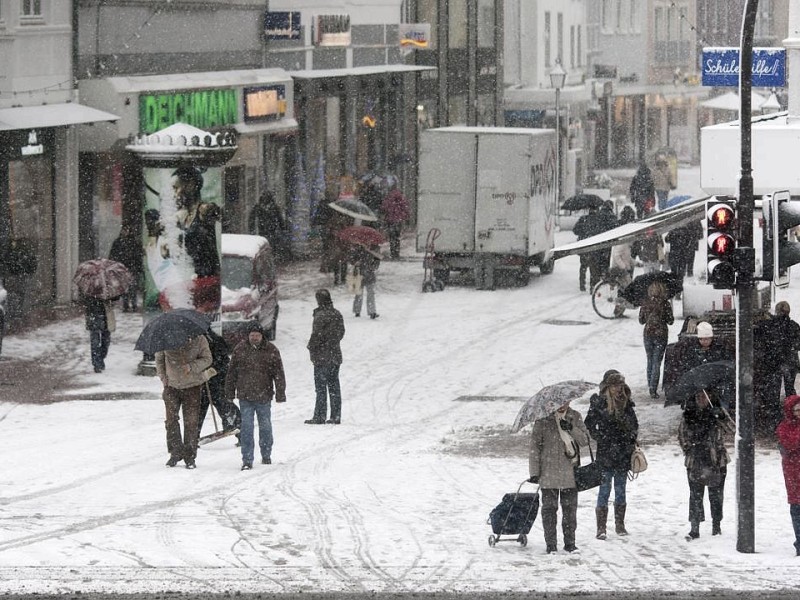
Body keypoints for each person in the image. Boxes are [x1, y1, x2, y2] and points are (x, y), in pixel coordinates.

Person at [528, 401, 591, 554]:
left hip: (570, 472)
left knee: (570, 510)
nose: (562, 405)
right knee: (549, 509)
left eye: (565, 402)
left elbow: (585, 440)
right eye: (559, 403)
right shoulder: (543, 420)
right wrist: (534, 472)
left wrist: (571, 429)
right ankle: (551, 545)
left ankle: (570, 543)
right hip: (548, 472)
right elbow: (534, 447)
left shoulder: (574, 416)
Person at [585, 370, 639, 540]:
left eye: (620, 385)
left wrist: (630, 436)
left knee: (621, 489)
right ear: (608, 386)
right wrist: (599, 436)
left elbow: (635, 425)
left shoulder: (626, 403)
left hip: (622, 452)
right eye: (615, 385)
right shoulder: (599, 402)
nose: (618, 389)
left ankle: (619, 524)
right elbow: (589, 422)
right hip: (606, 452)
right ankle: (601, 527)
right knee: (604, 489)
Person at [225, 321, 286, 470]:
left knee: (265, 427)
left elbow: (278, 373)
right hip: (245, 396)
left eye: (257, 335)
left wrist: (280, 393)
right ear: (248, 335)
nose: (254, 338)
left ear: (261, 336)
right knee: (246, 428)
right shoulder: (240, 350)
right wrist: (229, 392)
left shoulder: (271, 350)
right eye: (252, 335)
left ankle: (266, 454)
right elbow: (231, 373)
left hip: (264, 396)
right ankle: (247, 459)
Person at [679, 388, 732, 540]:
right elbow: (682, 435)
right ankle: (694, 527)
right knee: (695, 495)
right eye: (698, 396)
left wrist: (721, 417)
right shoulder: (689, 414)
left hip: (717, 460)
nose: (701, 398)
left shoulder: (717, 412)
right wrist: (691, 447)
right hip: (695, 460)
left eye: (705, 395)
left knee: (716, 495)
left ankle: (716, 524)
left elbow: (733, 428)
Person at [156, 333, 213, 469]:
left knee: (191, 422)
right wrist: (162, 376)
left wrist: (192, 366)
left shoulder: (199, 339)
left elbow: (207, 359)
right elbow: (159, 359)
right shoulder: (165, 338)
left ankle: (190, 456)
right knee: (171, 420)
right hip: (171, 386)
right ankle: (175, 452)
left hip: (192, 386)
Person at [305, 289, 346, 425]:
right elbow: (341, 333)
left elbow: (316, 335)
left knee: (321, 388)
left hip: (322, 357)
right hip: (335, 355)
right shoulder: (337, 314)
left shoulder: (320, 316)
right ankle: (336, 415)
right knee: (334, 386)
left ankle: (319, 415)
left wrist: (311, 347)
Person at [663, 321, 732, 397]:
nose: (704, 341)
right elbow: (689, 364)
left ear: (711, 338)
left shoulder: (718, 349)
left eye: (707, 339)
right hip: (699, 380)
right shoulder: (693, 349)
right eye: (701, 339)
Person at [197, 327, 240, 440]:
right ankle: (193, 439)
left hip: (218, 382)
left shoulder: (215, 340)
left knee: (224, 406)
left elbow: (224, 361)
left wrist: (212, 370)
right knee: (198, 411)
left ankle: (238, 431)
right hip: (201, 383)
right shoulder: (193, 343)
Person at [638, 281, 674, 399]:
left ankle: (650, 386)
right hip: (661, 334)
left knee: (650, 360)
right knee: (657, 362)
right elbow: (670, 321)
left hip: (648, 334)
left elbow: (641, 321)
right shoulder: (665, 304)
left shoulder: (645, 303)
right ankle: (653, 389)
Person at [775, 394, 800, 556]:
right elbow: (790, 444)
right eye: (797, 410)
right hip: (794, 474)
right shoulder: (783, 428)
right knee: (797, 508)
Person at [249, 191, 290, 264]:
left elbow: (279, 218)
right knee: (267, 246)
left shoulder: (273, 207)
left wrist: (283, 227)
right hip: (265, 230)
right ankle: (268, 260)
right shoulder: (259, 207)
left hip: (271, 230)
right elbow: (252, 219)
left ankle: (270, 260)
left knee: (271, 245)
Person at [109, 224, 142, 312]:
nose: (125, 232)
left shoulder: (134, 242)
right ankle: (126, 305)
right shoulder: (118, 242)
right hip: (123, 267)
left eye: (127, 230)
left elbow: (138, 255)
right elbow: (113, 254)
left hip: (131, 267)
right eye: (124, 230)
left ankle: (133, 305)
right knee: (125, 287)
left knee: (132, 287)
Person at [82, 295, 115, 373]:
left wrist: (110, 298)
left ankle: (100, 359)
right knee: (95, 342)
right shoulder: (89, 290)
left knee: (106, 341)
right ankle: (97, 364)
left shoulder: (107, 289)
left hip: (106, 316)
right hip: (93, 316)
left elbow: (115, 298)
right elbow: (85, 302)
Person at [774, 301, 800, 398]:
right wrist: (792, 347)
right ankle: (792, 409)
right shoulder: (794, 326)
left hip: (776, 361)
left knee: (774, 389)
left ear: (777, 311)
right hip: (791, 362)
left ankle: (775, 410)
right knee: (789, 388)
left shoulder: (772, 325)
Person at [380, 183, 411, 260]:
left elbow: (384, 207)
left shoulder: (389, 198)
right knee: (397, 237)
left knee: (392, 237)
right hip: (398, 221)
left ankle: (393, 252)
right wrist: (405, 217)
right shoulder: (401, 198)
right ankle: (397, 253)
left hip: (390, 221)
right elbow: (405, 208)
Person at [350, 244, 380, 319]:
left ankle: (372, 312)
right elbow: (351, 259)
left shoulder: (374, 249)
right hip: (359, 273)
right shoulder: (357, 249)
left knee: (370, 294)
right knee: (358, 294)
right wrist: (355, 262)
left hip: (369, 274)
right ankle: (357, 311)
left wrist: (372, 266)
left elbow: (377, 261)